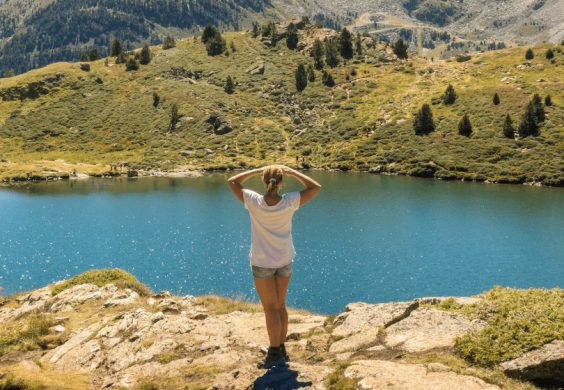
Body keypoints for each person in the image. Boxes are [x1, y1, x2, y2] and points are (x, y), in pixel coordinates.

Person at [228, 165, 321, 368]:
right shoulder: (289, 201)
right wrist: (294, 172)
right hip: (284, 260)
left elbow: (232, 182)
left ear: (264, 181)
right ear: (280, 183)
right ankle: (281, 347)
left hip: (262, 262)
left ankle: (273, 353)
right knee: (280, 306)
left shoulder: (254, 201)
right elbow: (315, 187)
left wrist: (256, 170)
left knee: (270, 308)